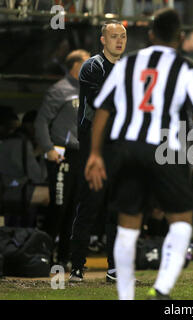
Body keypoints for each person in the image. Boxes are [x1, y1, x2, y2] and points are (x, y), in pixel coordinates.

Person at [84, 8, 193, 300]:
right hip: (164, 148)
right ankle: (162, 289)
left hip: (127, 149)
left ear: (151, 34)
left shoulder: (128, 63)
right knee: (181, 220)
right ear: (180, 38)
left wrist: (94, 154)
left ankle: (126, 296)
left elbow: (103, 108)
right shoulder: (185, 67)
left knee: (128, 224)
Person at [69, 20, 127, 283]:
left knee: (118, 207)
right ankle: (77, 266)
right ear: (102, 39)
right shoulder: (93, 66)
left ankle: (114, 268)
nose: (119, 40)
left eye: (123, 36)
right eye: (114, 36)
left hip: (119, 146)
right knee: (90, 204)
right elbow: (99, 101)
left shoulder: (128, 68)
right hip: (95, 146)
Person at [34, 49, 90, 269]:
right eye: (87, 63)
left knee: (76, 208)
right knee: (59, 206)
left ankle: (66, 258)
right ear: (75, 65)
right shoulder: (60, 90)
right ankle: (43, 256)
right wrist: (49, 149)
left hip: (81, 155)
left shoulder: (89, 90)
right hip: (62, 156)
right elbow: (41, 122)